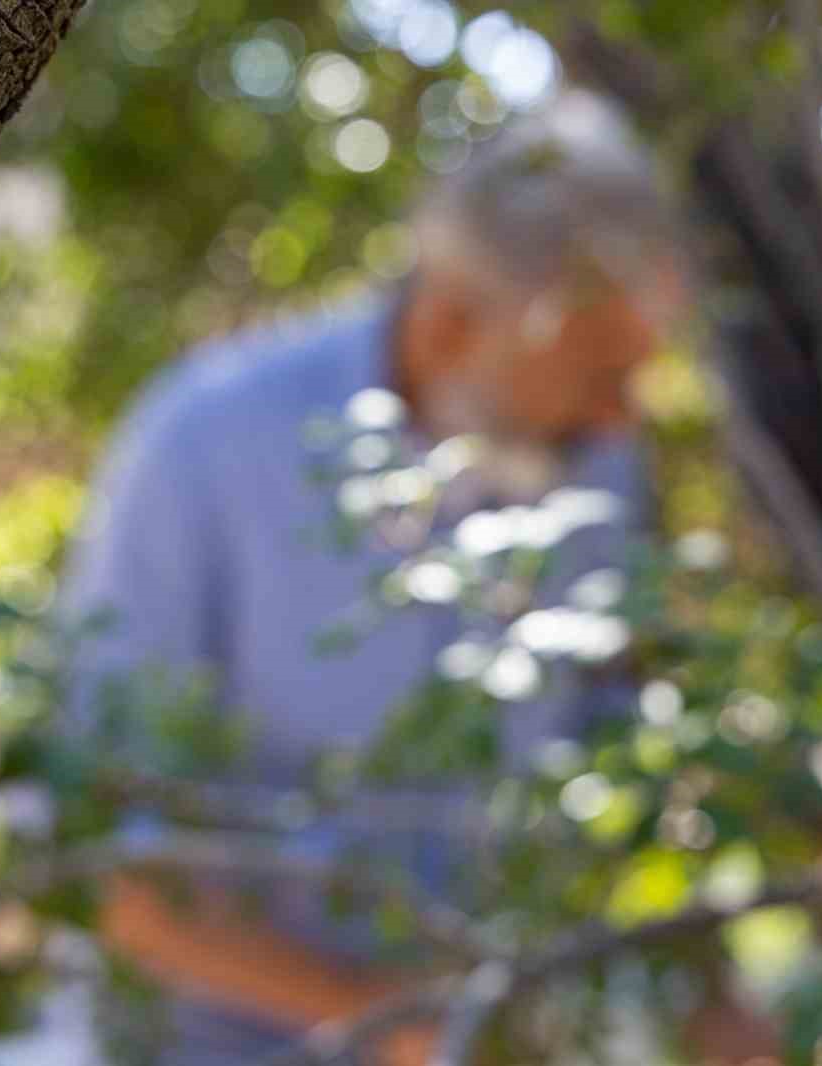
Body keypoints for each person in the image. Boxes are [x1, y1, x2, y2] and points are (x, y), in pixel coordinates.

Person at [61, 91, 691, 1065]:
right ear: (449, 324)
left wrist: (711, 991)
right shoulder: (205, 444)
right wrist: (383, 1020)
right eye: (596, 371)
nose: (620, 417)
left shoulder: (599, 465)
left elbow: (618, 748)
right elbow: (89, 850)